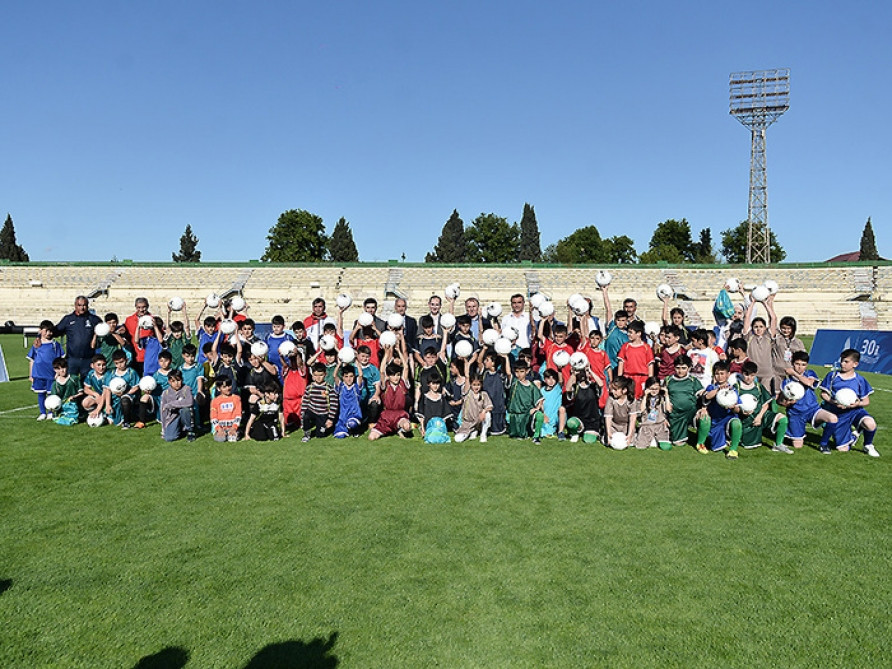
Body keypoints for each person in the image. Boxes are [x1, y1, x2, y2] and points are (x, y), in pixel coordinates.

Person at [818, 349, 879, 457]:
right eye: (842, 360)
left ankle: (868, 445)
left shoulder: (860, 380)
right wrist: (833, 402)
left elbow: (866, 401)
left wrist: (857, 404)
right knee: (843, 449)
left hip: (855, 411)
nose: (842, 364)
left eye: (846, 362)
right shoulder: (832, 376)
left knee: (870, 423)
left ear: (855, 364)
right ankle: (855, 435)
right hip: (839, 414)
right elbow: (823, 394)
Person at [778, 351, 837, 450]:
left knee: (832, 418)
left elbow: (809, 383)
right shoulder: (786, 382)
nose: (800, 367)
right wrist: (787, 403)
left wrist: (794, 373)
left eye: (803, 365)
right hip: (796, 413)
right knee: (798, 446)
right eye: (797, 364)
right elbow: (779, 401)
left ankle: (823, 444)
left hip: (812, 410)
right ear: (792, 363)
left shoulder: (810, 373)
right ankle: (786, 430)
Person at [734, 360, 791, 453]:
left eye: (752, 375)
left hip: (761, 415)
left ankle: (778, 444)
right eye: (746, 374)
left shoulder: (758, 386)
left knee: (783, 419)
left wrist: (760, 417)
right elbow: (733, 407)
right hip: (747, 420)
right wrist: (741, 411)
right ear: (742, 373)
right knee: (749, 445)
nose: (749, 378)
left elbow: (766, 404)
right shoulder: (737, 387)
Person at [696, 361, 742, 459]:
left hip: (728, 418)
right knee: (704, 418)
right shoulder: (712, 387)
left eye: (722, 374)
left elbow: (738, 409)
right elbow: (707, 396)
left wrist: (733, 407)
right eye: (717, 374)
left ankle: (733, 450)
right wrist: (718, 390)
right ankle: (700, 444)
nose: (720, 376)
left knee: (737, 423)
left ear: (728, 374)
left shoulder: (733, 390)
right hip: (715, 420)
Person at [55, 295, 102, 378]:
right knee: (70, 383)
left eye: (84, 305)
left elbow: (105, 331)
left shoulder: (94, 319)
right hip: (72, 359)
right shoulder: (68, 319)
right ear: (75, 305)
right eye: (79, 305)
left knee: (86, 385)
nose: (82, 308)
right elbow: (55, 331)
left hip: (88, 359)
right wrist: (40, 335)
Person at [664, 355, 705, 447]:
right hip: (675, 414)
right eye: (678, 368)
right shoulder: (668, 380)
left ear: (689, 368)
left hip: (691, 412)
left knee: (705, 418)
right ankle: (679, 432)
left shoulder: (693, 380)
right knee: (678, 443)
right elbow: (661, 397)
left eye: (683, 368)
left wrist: (703, 408)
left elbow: (703, 395)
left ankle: (702, 441)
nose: (680, 371)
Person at [28, 320, 65, 420]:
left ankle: (51, 412)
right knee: (41, 393)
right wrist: (31, 374)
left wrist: (58, 372)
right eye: (47, 331)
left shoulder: (54, 344)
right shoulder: (36, 344)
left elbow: (60, 359)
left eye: (51, 331)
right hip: (39, 374)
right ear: (40, 331)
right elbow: (32, 360)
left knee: (51, 393)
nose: (49, 333)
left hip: (51, 374)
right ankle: (42, 412)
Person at [743, 295, 777, 392]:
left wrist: (765, 303)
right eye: (756, 327)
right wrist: (752, 303)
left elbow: (773, 318)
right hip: (752, 372)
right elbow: (747, 318)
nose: (758, 329)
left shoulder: (768, 337)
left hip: (767, 373)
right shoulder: (749, 337)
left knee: (766, 395)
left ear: (765, 328)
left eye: (761, 327)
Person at [617, 321, 655, 399]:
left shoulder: (646, 348)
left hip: (642, 379)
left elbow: (650, 365)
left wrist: (650, 382)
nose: (628, 334)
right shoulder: (625, 347)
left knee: (641, 400)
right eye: (628, 332)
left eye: (631, 332)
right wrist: (620, 380)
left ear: (639, 333)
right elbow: (621, 364)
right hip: (628, 378)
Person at [302, 363, 339, 442]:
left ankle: (325, 427)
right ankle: (306, 434)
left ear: (325, 374)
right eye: (316, 375)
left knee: (320, 435)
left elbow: (334, 404)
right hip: (312, 411)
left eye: (321, 375)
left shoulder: (329, 388)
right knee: (306, 417)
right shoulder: (309, 387)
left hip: (323, 414)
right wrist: (302, 414)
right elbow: (305, 401)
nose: (318, 378)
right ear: (312, 375)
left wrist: (330, 419)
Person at [454, 374, 493, 443]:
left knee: (488, 415)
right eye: (474, 385)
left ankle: (483, 434)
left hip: (479, 420)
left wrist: (484, 411)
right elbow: (466, 377)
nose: (476, 387)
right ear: (471, 385)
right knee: (458, 439)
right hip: (468, 423)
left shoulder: (484, 394)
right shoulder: (467, 393)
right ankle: (473, 431)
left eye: (478, 385)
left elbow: (489, 406)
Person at [771, 315, 805, 394]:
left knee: (793, 393)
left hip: (792, 372)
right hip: (776, 371)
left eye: (788, 328)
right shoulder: (777, 338)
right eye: (783, 328)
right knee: (776, 394)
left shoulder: (798, 342)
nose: (786, 331)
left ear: (793, 329)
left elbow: (803, 358)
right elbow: (772, 321)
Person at [634, 377, 670, 450]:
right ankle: (637, 435)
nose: (654, 391)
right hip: (647, 425)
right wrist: (645, 396)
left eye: (656, 389)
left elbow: (668, 409)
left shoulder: (662, 398)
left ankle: (656, 438)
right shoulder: (643, 399)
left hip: (660, 425)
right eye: (651, 389)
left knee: (666, 447)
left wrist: (666, 395)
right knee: (640, 447)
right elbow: (641, 410)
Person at [160, 369, 196, 442]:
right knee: (169, 438)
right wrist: (164, 428)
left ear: (182, 380)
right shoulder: (165, 393)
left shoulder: (186, 389)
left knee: (185, 409)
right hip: (173, 417)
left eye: (178, 380)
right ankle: (181, 430)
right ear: (169, 382)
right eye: (173, 381)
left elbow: (189, 402)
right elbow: (163, 411)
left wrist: (171, 404)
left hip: (184, 414)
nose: (176, 383)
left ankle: (190, 431)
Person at [534, 368, 567, 443]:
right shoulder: (542, 391)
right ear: (544, 379)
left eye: (553, 378)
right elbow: (540, 404)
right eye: (548, 378)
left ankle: (561, 432)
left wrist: (559, 370)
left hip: (557, 418)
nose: (551, 380)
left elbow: (561, 381)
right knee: (543, 432)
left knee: (562, 409)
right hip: (546, 419)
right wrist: (543, 414)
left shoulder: (557, 388)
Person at [123, 297, 154, 375]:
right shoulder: (129, 320)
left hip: (149, 356)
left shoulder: (153, 320)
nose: (141, 310)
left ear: (148, 306)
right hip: (134, 355)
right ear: (135, 307)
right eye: (139, 307)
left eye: (144, 307)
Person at [333, 365, 364, 438]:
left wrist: (357, 362)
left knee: (352, 423)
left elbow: (361, 375)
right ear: (343, 378)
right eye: (346, 377)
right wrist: (339, 363)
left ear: (354, 377)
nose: (349, 379)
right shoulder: (341, 387)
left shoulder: (356, 387)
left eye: (351, 376)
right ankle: (346, 430)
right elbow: (334, 375)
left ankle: (356, 430)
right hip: (343, 417)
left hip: (354, 415)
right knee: (339, 436)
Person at [210, 376, 242, 442]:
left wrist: (234, 428)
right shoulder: (215, 401)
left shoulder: (236, 398)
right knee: (221, 439)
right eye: (224, 387)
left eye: (229, 385)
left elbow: (238, 415)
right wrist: (219, 429)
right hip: (221, 427)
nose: (228, 388)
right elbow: (213, 417)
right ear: (219, 389)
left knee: (232, 439)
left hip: (233, 426)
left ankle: (236, 433)